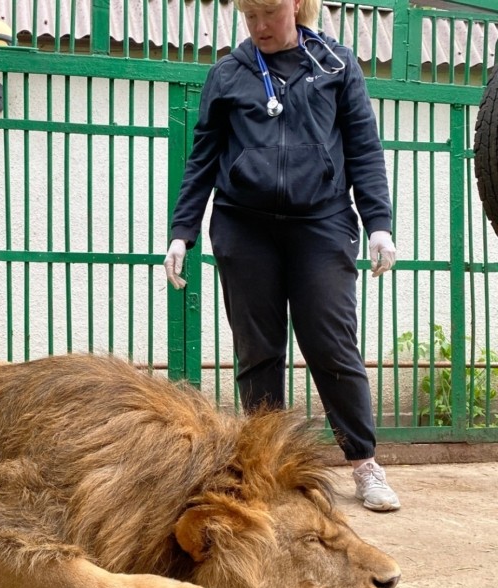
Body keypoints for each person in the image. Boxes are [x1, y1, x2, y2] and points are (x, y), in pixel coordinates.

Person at [163, 0, 400, 511]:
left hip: (322, 223)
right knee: (258, 349)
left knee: (330, 342)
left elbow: (363, 148)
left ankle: (364, 463)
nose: (260, 27)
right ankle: (265, 466)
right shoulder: (228, 73)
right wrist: (182, 231)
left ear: (297, 6)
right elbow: (202, 156)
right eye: (250, 16)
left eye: (269, 12)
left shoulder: (336, 65)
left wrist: (378, 224)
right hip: (244, 227)